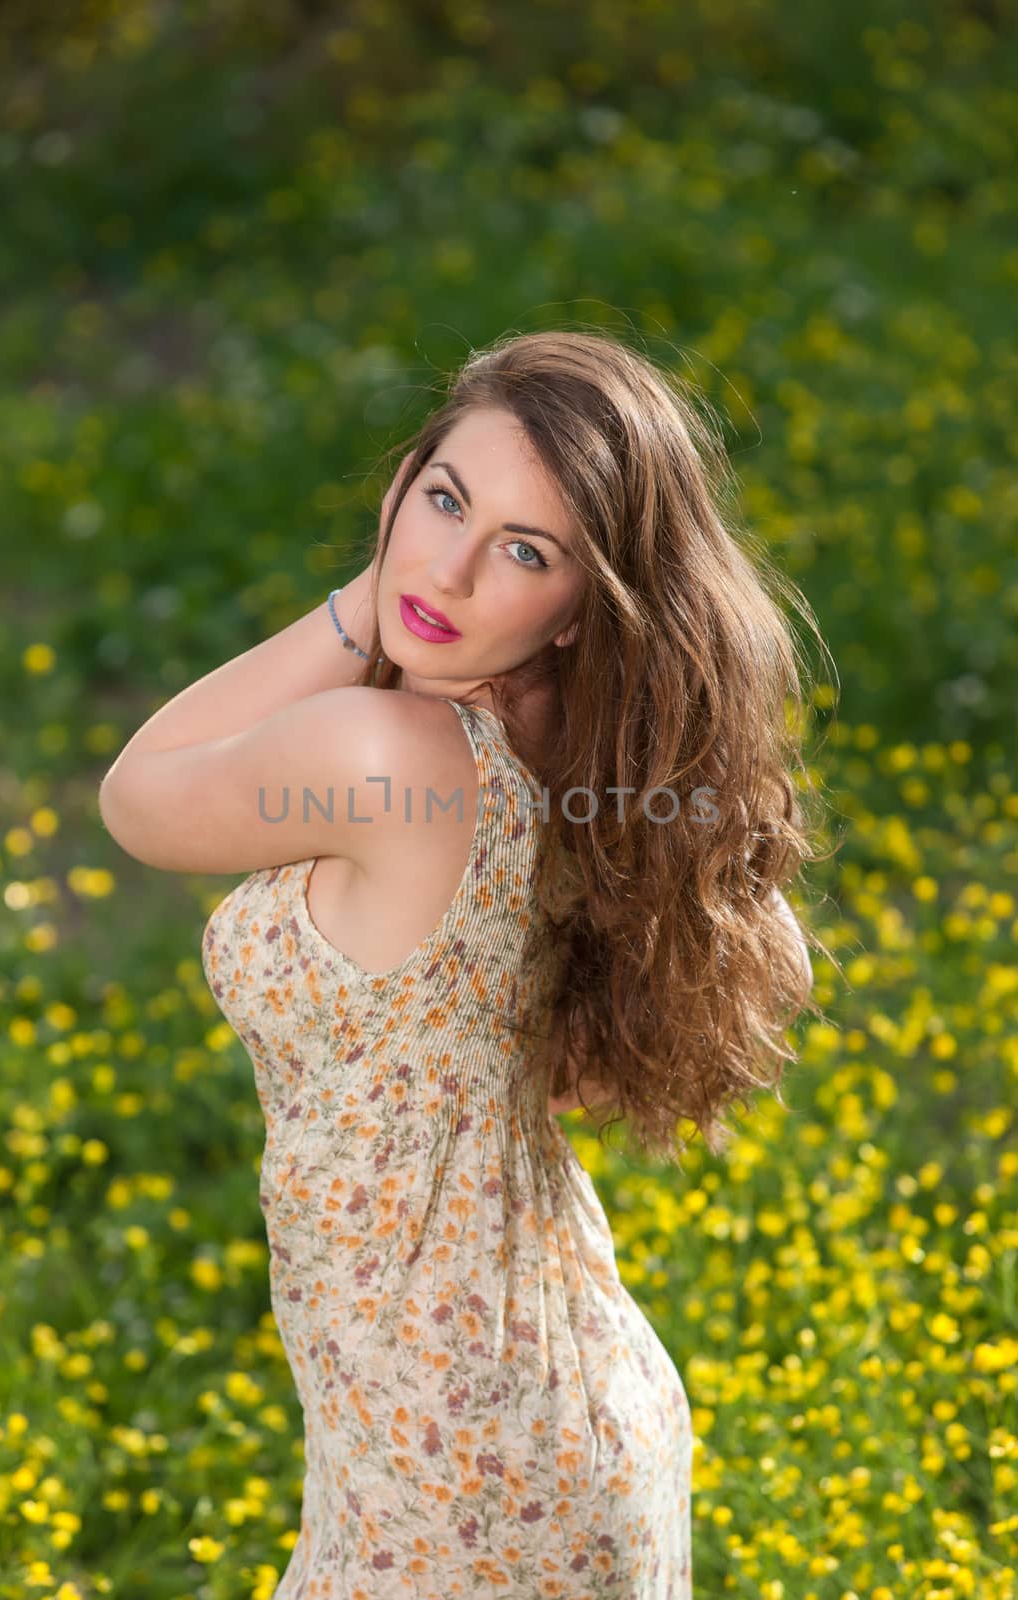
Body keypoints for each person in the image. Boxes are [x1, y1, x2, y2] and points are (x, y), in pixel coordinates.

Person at [101, 329, 831, 1597]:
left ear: (575, 605)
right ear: (402, 478)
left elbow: (138, 796)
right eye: (444, 498)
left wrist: (356, 604)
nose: (446, 567)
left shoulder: (385, 752)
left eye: (524, 551)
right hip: (508, 1422)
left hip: (467, 1477)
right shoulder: (567, 748)